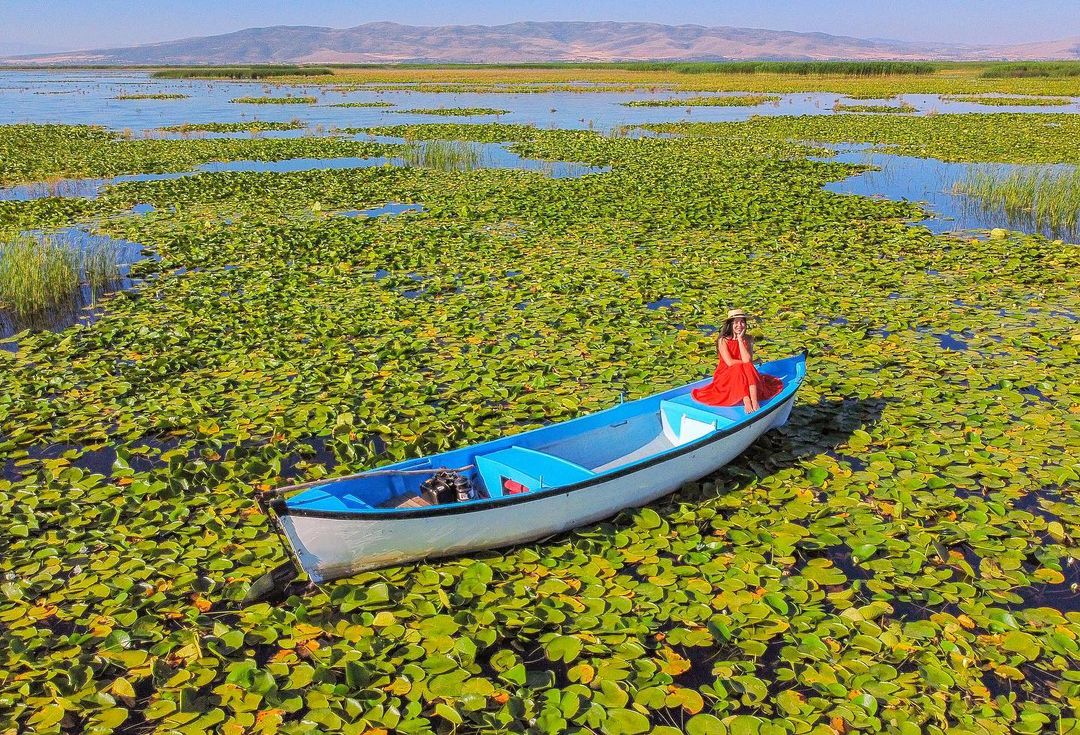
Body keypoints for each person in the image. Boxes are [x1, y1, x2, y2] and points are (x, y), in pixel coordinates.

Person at [691, 309, 783, 413]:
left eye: (742, 321)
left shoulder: (748, 338)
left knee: (746, 365)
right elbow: (729, 362)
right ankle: (747, 400)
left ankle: (754, 400)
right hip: (726, 375)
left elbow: (748, 359)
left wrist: (740, 339)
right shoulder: (723, 340)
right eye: (735, 322)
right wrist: (744, 363)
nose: (739, 325)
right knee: (740, 366)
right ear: (730, 324)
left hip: (745, 371)